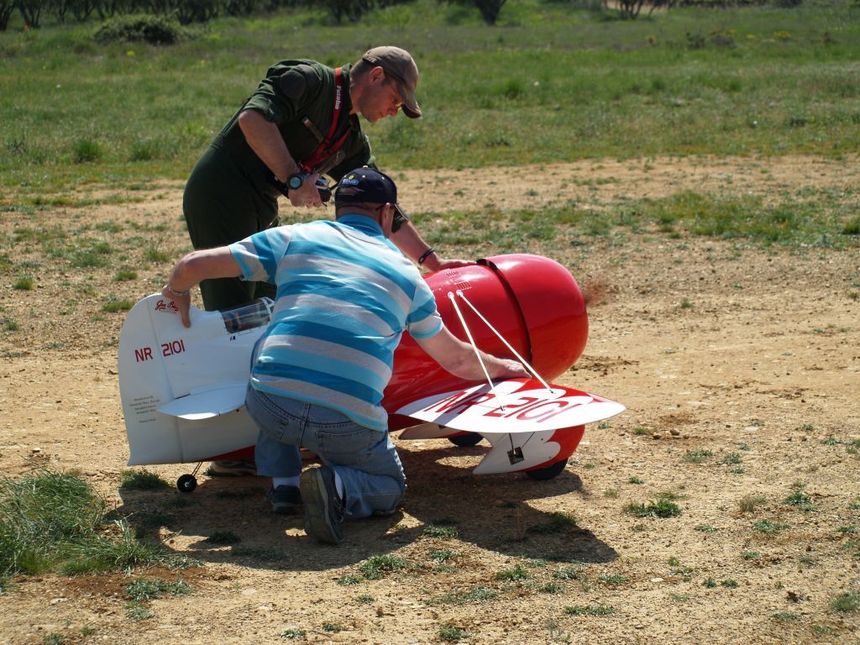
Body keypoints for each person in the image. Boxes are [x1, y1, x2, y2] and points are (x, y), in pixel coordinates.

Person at [161, 168, 526, 544]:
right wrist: (503, 366)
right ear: (387, 214)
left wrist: (177, 290)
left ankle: (283, 483)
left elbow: (193, 266)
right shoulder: (409, 277)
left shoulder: (295, 237)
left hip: (271, 406)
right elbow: (457, 361)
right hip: (344, 422)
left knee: (268, 341)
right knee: (389, 485)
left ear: (339, 209)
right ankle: (336, 486)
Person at [183, 45, 468, 477]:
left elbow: (386, 209)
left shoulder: (351, 139)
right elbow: (252, 119)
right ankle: (232, 451)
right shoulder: (308, 79)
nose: (394, 112)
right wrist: (295, 178)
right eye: (396, 100)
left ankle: (268, 431)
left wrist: (434, 263)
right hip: (221, 195)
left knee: (268, 314)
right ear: (375, 77)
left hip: (260, 207)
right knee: (235, 317)